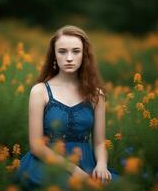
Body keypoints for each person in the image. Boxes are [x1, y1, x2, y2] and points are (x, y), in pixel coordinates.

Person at [14, 25, 120, 190]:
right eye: (62, 51)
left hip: (87, 163)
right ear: (54, 56)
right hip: (46, 163)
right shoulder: (40, 91)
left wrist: (101, 165)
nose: (69, 58)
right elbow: (36, 146)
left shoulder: (96, 94)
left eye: (76, 51)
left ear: (84, 56)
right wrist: (74, 170)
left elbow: (99, 143)